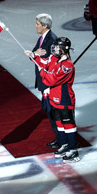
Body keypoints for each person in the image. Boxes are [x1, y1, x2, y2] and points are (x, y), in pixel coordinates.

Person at [26, 37, 79, 162]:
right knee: (59, 123)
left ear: (64, 49)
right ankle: (64, 144)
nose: (54, 49)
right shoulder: (54, 59)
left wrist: (42, 72)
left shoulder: (67, 66)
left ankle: (73, 150)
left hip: (64, 99)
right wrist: (34, 56)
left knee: (68, 125)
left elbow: (51, 79)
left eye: (57, 47)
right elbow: (43, 63)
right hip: (53, 98)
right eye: (54, 47)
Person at [31, 14, 59, 149]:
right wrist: (36, 54)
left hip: (49, 83)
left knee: (54, 112)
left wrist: (37, 54)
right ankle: (59, 138)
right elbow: (33, 54)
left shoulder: (52, 40)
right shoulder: (42, 38)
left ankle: (62, 139)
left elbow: (52, 61)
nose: (35, 26)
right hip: (43, 81)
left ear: (45, 25)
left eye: (37, 24)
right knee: (49, 111)